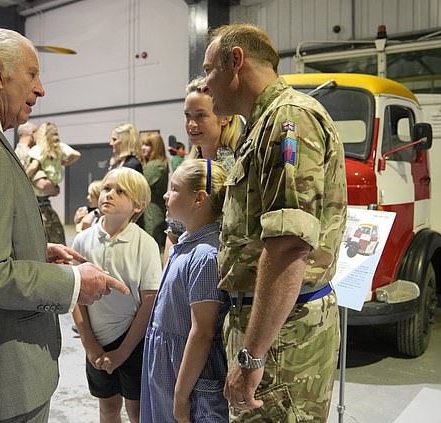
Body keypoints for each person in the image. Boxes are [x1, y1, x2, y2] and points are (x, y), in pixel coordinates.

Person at [0, 28, 128, 423]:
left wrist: (34, 248)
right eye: (32, 74)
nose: (41, 89)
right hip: (1, 375)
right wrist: (76, 284)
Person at [203, 23, 347, 421]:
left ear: (236, 61)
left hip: (283, 336)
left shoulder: (289, 120)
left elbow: (289, 246)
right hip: (271, 328)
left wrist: (252, 356)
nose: (205, 82)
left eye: (210, 69)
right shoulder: (263, 125)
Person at [140, 159, 229, 423]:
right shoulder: (186, 246)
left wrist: (180, 395)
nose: (166, 195)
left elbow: (202, 331)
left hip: (182, 371)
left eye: (174, 188)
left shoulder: (205, 256)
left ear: (198, 199)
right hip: (166, 363)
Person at [71, 167, 162, 423]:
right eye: (107, 188)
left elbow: (149, 301)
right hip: (97, 341)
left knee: (137, 410)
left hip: (133, 341)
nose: (109, 194)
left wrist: (122, 352)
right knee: (108, 406)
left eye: (120, 191)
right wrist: (90, 344)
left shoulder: (145, 244)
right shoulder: (82, 240)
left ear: (138, 205)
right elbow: (76, 295)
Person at [162, 76, 244, 264]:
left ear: (225, 117)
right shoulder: (186, 168)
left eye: (200, 115)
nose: (191, 124)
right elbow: (173, 233)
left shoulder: (237, 169)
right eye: (187, 116)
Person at [26, 121, 81, 244]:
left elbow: (34, 166)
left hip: (39, 196)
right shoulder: (60, 148)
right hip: (52, 185)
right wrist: (63, 163)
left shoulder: (38, 149)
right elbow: (76, 155)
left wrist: (23, 177)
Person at [141, 133, 169, 251]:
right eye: (142, 144)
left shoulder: (155, 166)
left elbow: (139, 185)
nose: (143, 148)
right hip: (152, 211)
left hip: (151, 213)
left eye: (148, 145)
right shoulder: (157, 164)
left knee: (152, 247)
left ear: (156, 147)